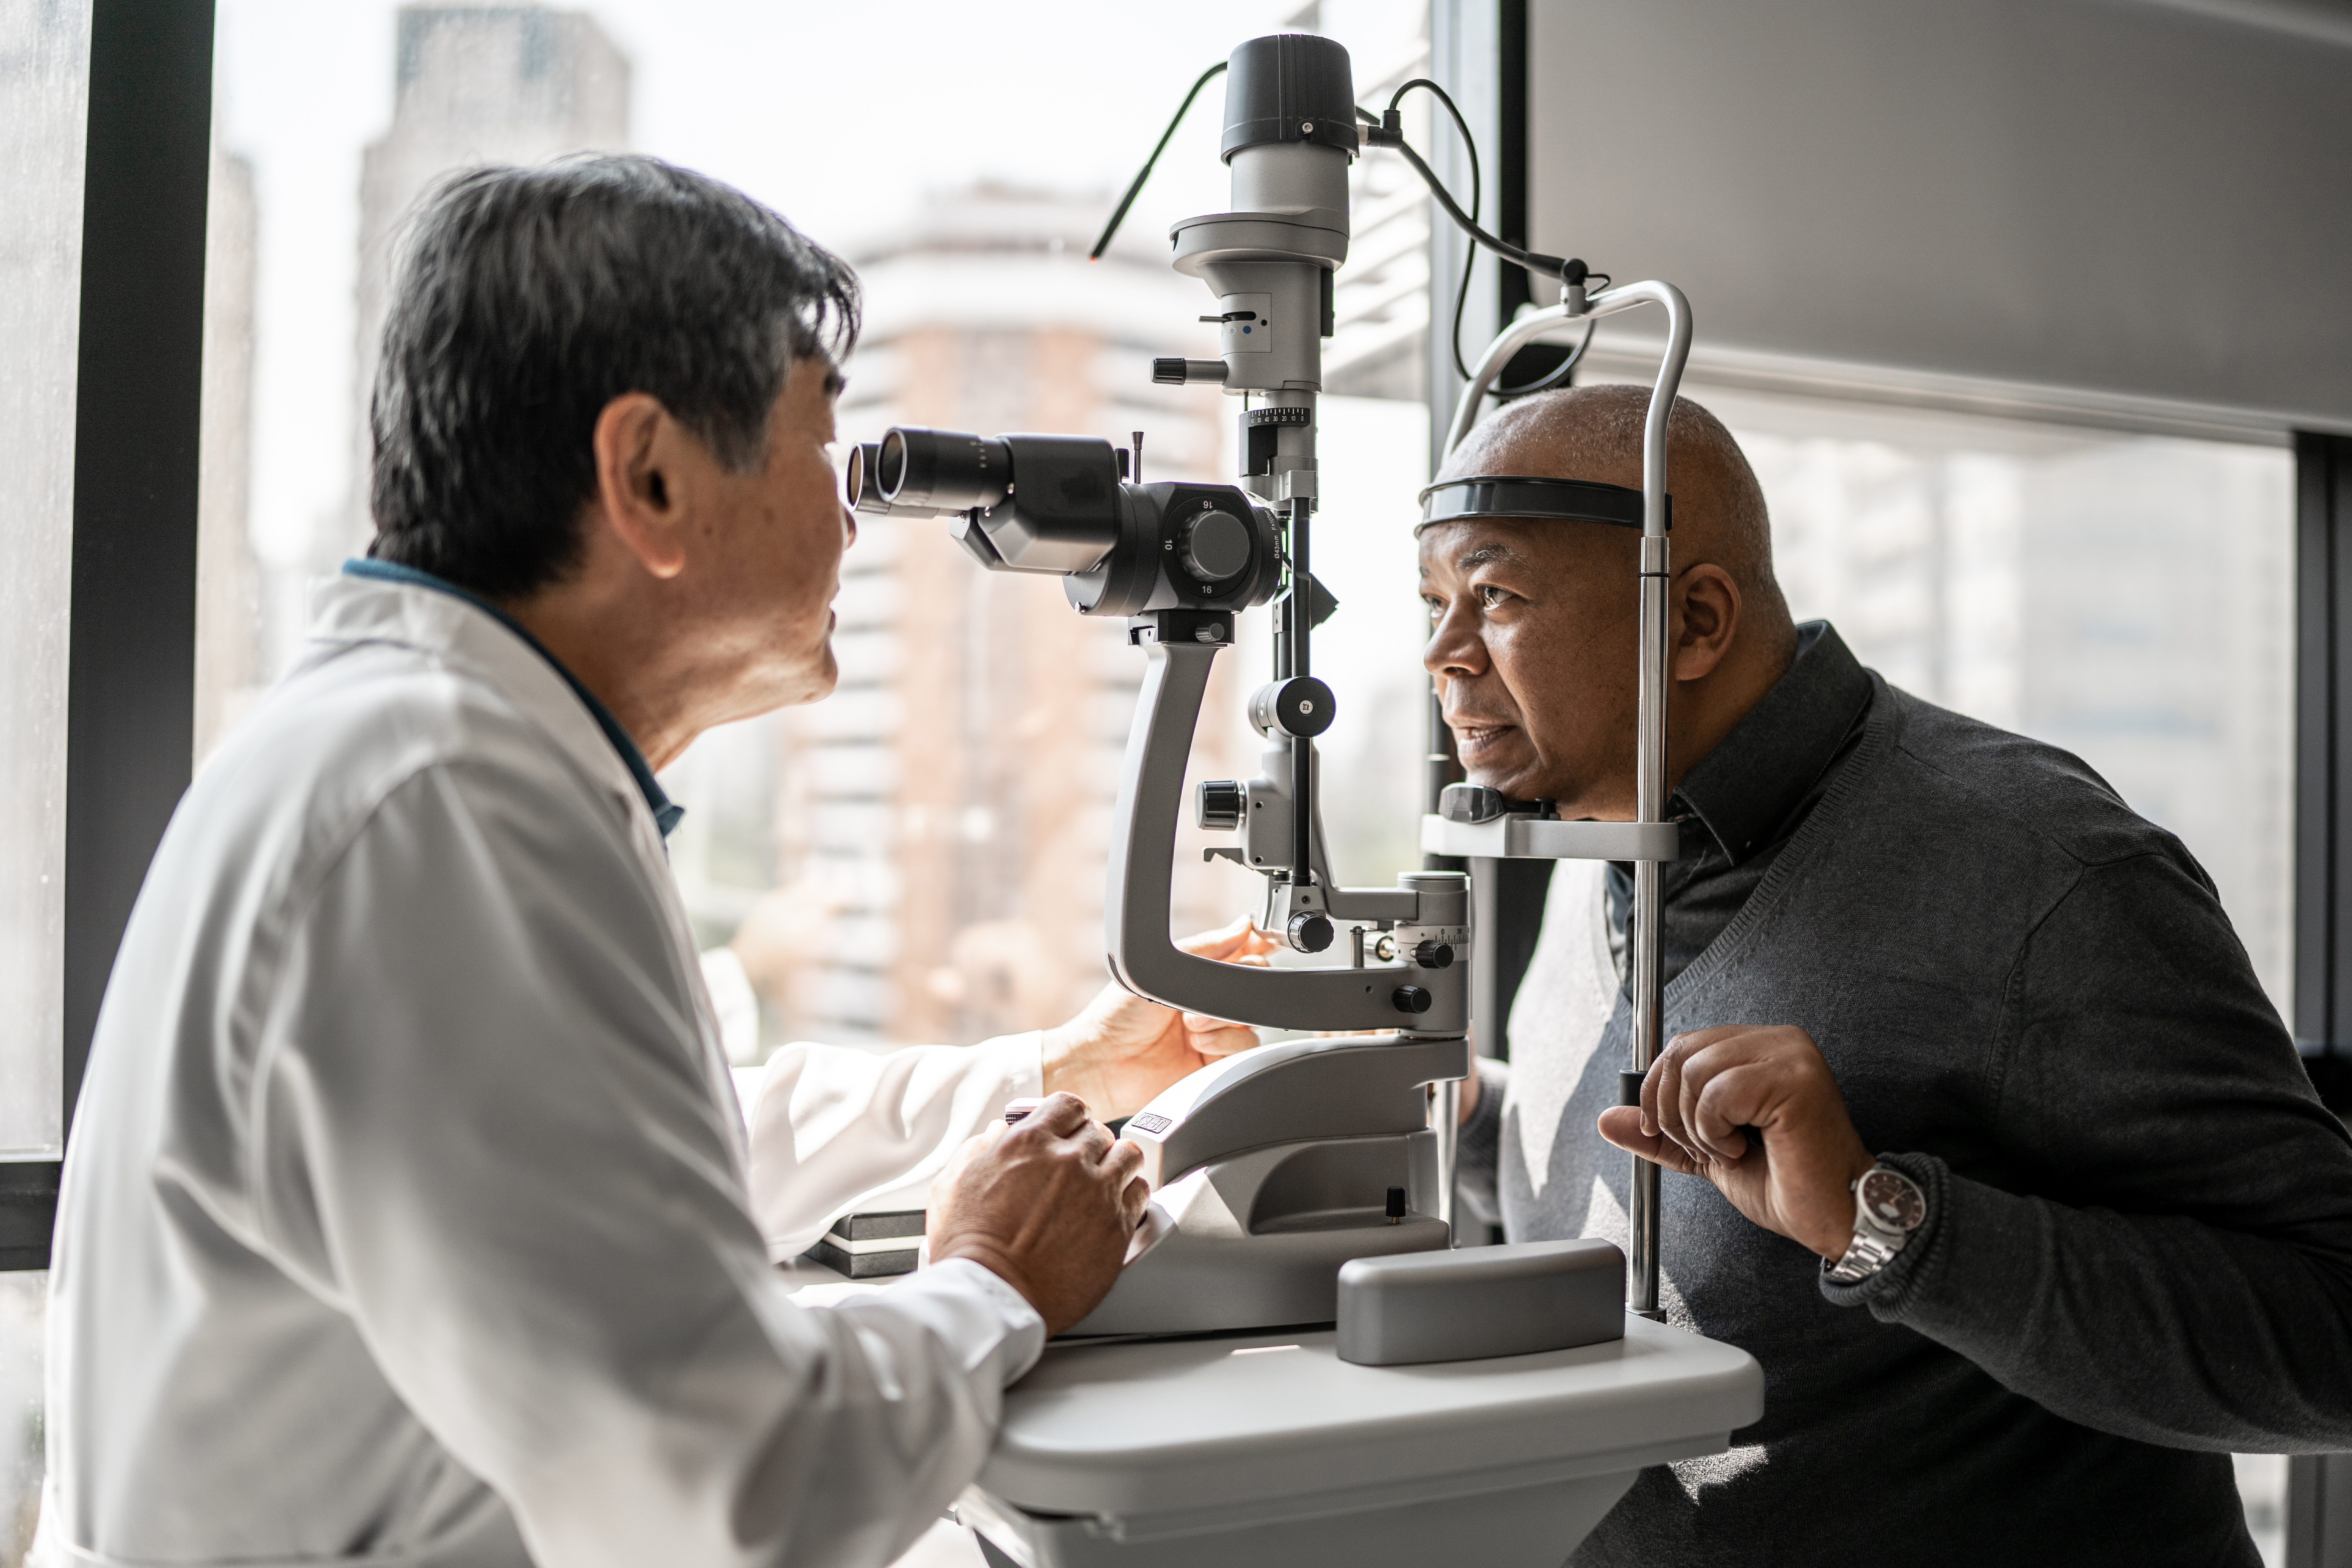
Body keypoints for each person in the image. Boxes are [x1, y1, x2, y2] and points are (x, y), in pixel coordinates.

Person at [38, 154, 1263, 1568]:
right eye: (820, 440)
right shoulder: (446, 808)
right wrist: (990, 1285)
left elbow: (637, 1159)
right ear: (652, 475)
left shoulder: (426, 751)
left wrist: (1054, 1075)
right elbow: (733, 1494)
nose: (850, 516)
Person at [1426, 383, 2352, 1566]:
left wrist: (1883, 1221)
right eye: (1435, 602)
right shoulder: (1595, 834)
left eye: (1494, 597)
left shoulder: (2043, 867)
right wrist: (1465, 1115)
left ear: (1694, 622)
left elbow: (2333, 1334)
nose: (1442, 654)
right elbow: (1660, 1237)